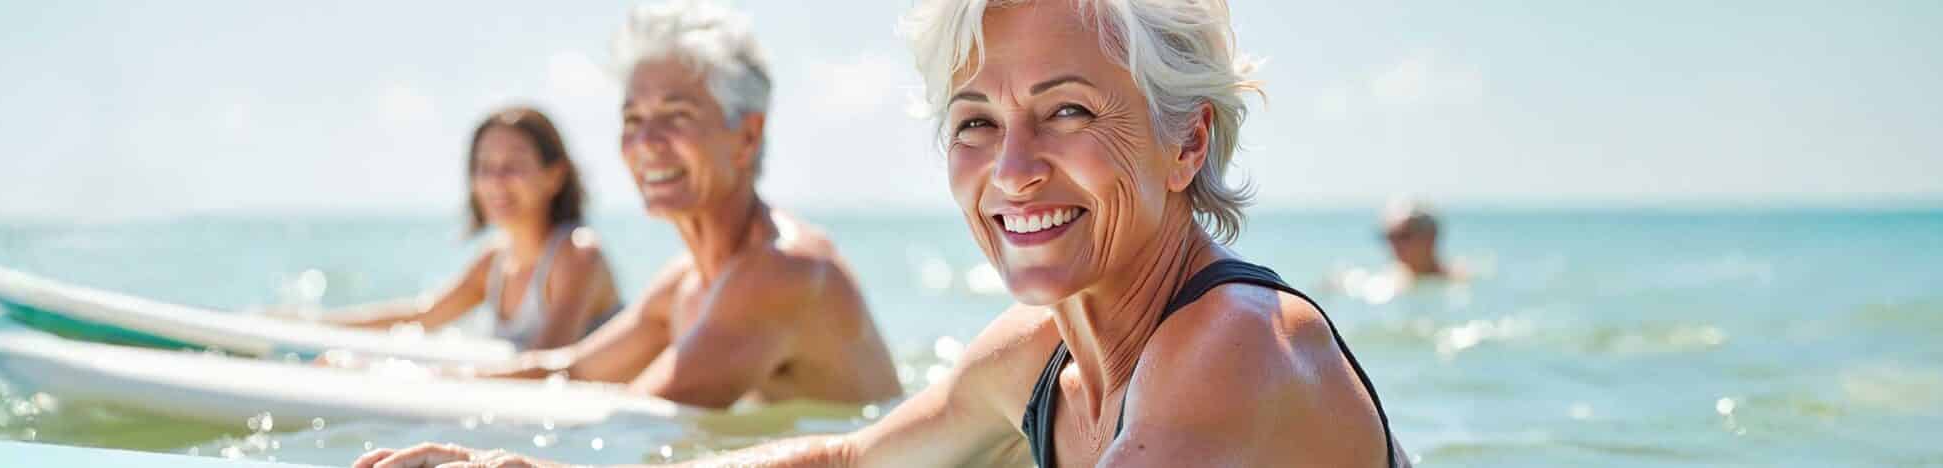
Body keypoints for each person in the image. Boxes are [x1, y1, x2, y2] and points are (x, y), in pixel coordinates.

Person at [355, 0, 1406, 466]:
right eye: (976, 123)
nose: (1012, 169)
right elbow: (851, 462)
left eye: (1070, 111)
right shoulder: (1038, 358)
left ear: (1186, 145)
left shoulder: (1237, 349)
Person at [436, 0, 902, 411]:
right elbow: (570, 372)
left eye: (677, 116)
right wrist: (425, 386)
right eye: (633, 119)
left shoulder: (785, 270)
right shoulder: (685, 282)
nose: (647, 143)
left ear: (747, 136)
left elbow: (634, 423)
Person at [293, 106, 622, 351]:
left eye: (513, 166)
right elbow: (422, 316)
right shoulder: (495, 260)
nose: (496, 182)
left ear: (555, 176)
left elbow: (548, 365)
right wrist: (310, 326)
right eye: (484, 167)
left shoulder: (578, 255)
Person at [1380, 197, 1452, 279]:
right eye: (1390, 236)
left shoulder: (1458, 280)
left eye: (1404, 236)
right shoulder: (1387, 281)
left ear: (1430, 236)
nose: (1395, 244)